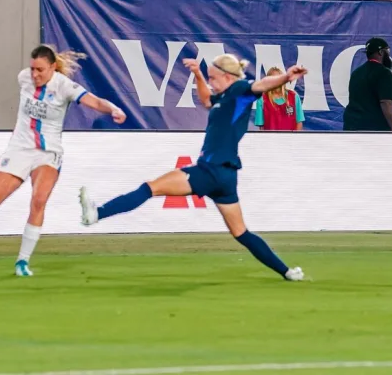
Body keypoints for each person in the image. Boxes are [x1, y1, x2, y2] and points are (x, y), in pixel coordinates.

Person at [78, 54, 307, 282]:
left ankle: (97, 213)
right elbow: (206, 100)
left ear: (227, 76)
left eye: (212, 78)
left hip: (211, 170)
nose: (210, 83)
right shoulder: (224, 98)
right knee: (241, 233)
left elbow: (261, 84)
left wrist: (286, 76)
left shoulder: (239, 90)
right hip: (225, 177)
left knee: (149, 188)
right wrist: (198, 75)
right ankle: (287, 272)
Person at [0, 46, 125, 277]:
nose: (34, 74)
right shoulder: (24, 78)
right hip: (19, 150)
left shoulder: (64, 86)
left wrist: (113, 109)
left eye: (40, 70)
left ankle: (22, 262)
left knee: (38, 200)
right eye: (32, 68)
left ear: (53, 67)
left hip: (48, 153)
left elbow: (95, 102)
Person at [343, 37, 392, 131]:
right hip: (372, 130)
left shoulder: (357, 73)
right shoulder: (384, 73)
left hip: (351, 126)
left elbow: (364, 102)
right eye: (387, 50)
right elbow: (386, 103)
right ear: (381, 52)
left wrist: (388, 115)